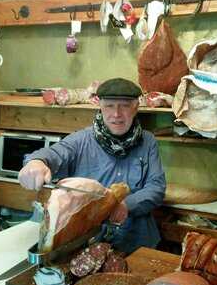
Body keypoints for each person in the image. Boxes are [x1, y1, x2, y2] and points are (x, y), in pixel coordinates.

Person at [18, 78, 166, 254]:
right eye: (109, 106)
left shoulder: (148, 141)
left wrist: (127, 205)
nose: (116, 114)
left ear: (136, 107)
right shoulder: (81, 140)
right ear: (100, 106)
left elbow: (156, 187)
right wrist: (36, 162)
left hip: (137, 242)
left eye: (124, 106)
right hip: (88, 245)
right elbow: (55, 154)